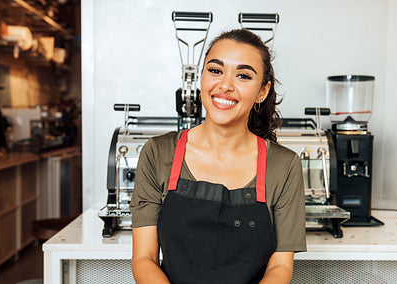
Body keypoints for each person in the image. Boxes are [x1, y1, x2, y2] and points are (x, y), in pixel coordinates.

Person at [130, 28, 306, 284]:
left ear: (262, 91)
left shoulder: (283, 165)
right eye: (215, 70)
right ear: (202, 77)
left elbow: (280, 267)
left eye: (243, 76)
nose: (225, 85)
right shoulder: (158, 153)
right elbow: (144, 259)